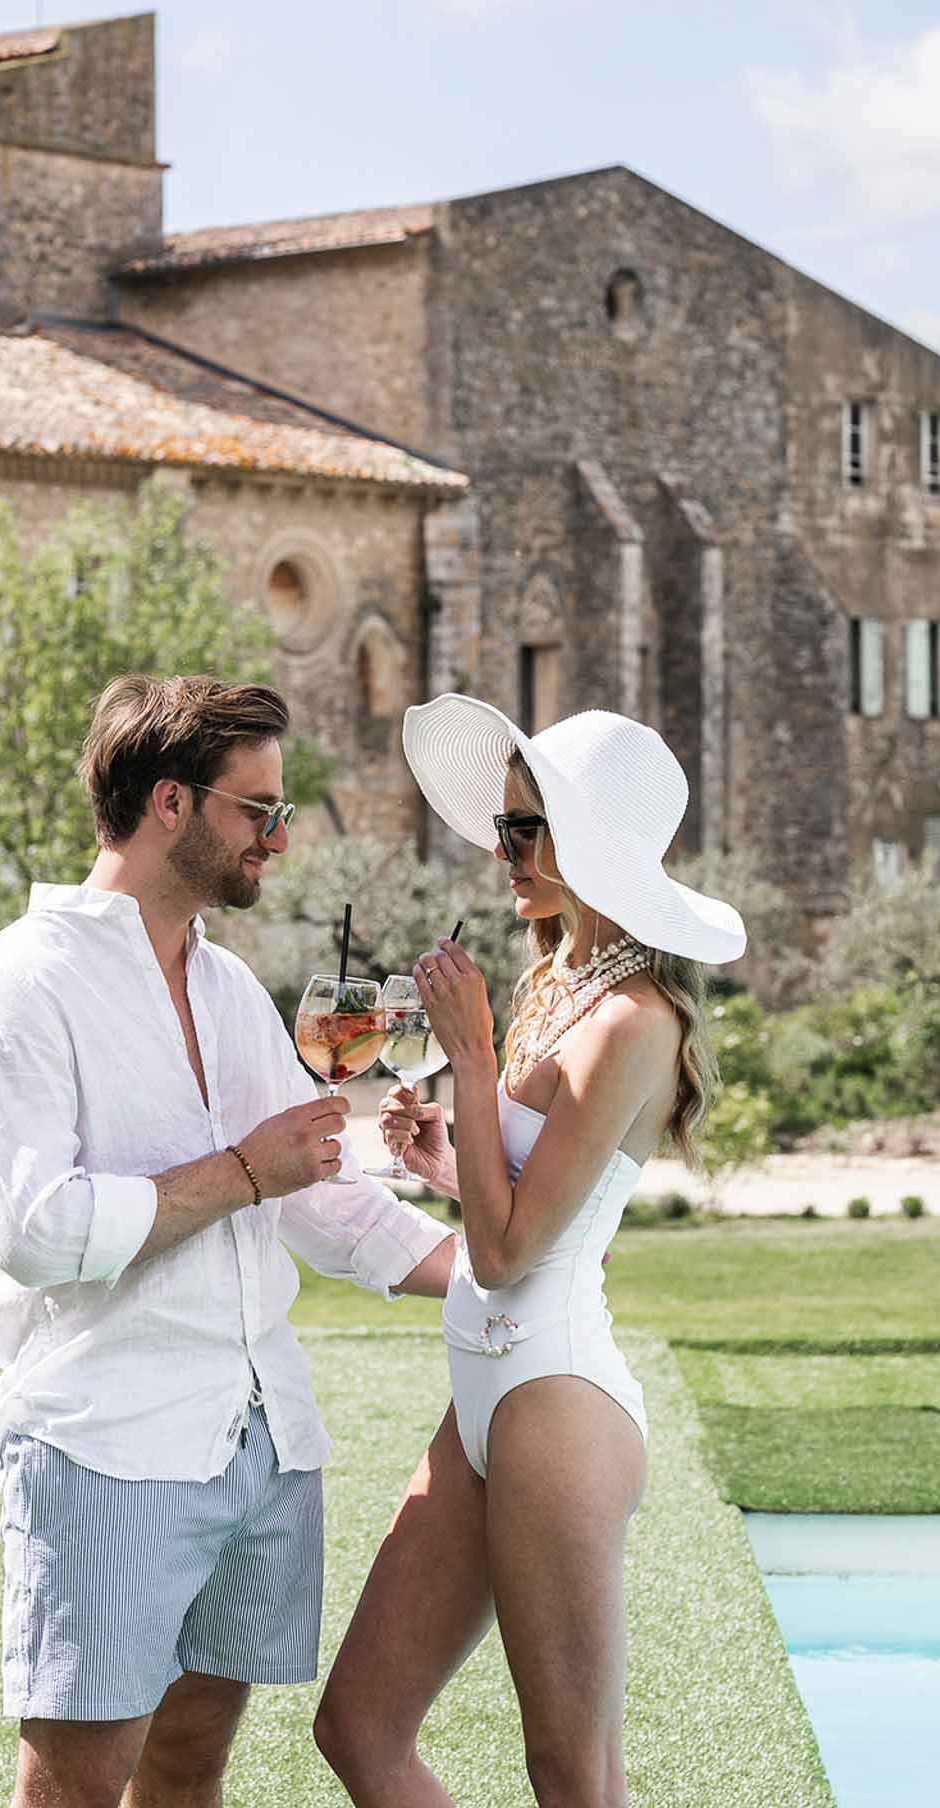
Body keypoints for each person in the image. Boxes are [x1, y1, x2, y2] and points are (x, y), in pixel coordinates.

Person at [0, 673, 456, 1808]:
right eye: (256, 809)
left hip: (261, 1445)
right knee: (74, 1787)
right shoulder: (19, 985)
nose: (278, 836)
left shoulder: (225, 984)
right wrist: (239, 1172)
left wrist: (503, 1268)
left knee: (188, 1767)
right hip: (106, 1446)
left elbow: (322, 1196)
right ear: (170, 801)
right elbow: (37, 1228)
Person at [315, 697, 747, 1808]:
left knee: (568, 1775)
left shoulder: (633, 1021)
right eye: (502, 826)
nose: (501, 850)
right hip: (483, 1386)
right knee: (359, 1726)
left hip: (552, 1394)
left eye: (523, 829)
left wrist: (467, 1058)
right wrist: (448, 1164)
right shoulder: (554, 981)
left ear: (589, 838)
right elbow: (522, 1208)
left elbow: (510, 1257)